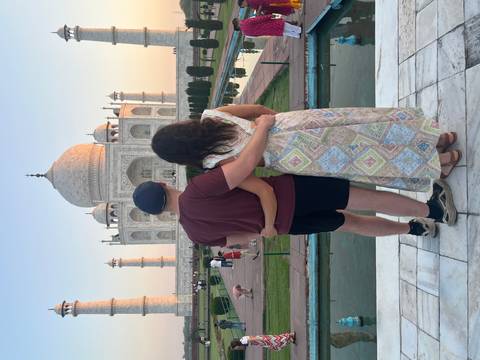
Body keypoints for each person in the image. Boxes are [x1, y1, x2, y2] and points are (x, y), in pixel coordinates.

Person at [134, 116, 457, 247]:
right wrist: (263, 125)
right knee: (361, 199)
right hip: (292, 192)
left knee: (351, 223)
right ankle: (432, 210)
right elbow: (248, 167)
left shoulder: (196, 235)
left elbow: (248, 236)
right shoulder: (199, 188)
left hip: (289, 225)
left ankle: (413, 229)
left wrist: (270, 225)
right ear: (163, 185)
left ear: (159, 214)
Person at [151, 105, 461, 191]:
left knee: (364, 158)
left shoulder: (209, 162)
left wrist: (264, 140)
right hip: (295, 125)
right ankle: (435, 139)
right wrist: (280, 125)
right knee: (365, 128)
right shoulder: (213, 116)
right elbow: (260, 109)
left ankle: (438, 160)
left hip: (291, 156)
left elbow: (250, 165)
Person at [232, 16, 302, 39]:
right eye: (238, 20)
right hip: (268, 24)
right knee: (284, 25)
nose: (240, 19)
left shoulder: (246, 34)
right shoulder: (246, 22)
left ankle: (296, 35)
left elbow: (256, 36)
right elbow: (259, 19)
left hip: (267, 32)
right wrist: (270, 16)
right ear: (238, 24)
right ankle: (299, 30)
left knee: (283, 32)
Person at [230, 332, 296, 351]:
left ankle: (290, 336)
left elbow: (252, 339)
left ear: (236, 345)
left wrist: (261, 340)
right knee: (275, 344)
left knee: (276, 342)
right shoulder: (242, 340)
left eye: (235, 348)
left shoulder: (243, 341)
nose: (236, 349)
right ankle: (289, 339)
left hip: (261, 340)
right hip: (261, 341)